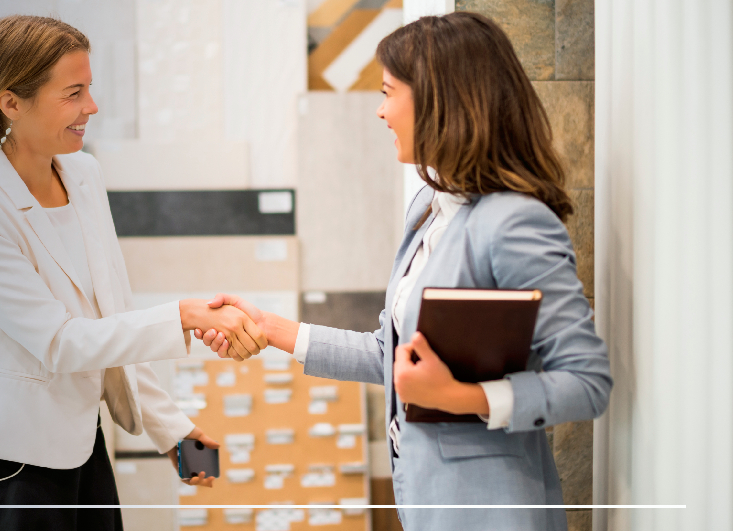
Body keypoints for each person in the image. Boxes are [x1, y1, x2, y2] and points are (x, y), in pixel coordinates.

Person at [195, 12, 612, 530]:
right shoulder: (428, 208)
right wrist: (272, 328)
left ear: (441, 101)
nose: (380, 110)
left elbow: (587, 383)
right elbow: (392, 355)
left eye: (389, 91)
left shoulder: (514, 221)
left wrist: (460, 398)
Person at [0, 15, 266, 531]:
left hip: (81, 445)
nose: (91, 107)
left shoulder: (84, 175)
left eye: (89, 89)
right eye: (73, 93)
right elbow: (60, 343)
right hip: (12, 464)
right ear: (11, 102)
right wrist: (183, 315)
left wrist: (173, 432)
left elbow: (111, 318)